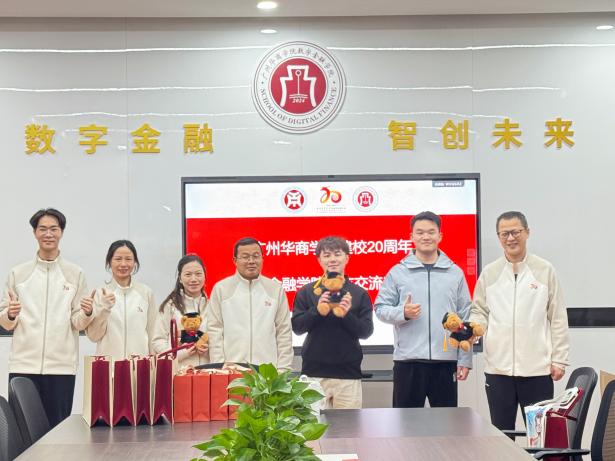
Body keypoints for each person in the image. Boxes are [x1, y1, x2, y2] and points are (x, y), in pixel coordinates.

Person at [470, 211, 570, 431]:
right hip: (498, 371)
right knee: (502, 434)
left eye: (515, 232)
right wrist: (476, 328)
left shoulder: (544, 269)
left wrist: (559, 359)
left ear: (527, 232)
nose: (510, 238)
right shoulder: (490, 272)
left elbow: (557, 317)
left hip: (537, 370)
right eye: (504, 234)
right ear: (499, 237)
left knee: (540, 435)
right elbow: (479, 311)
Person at [0, 208, 92, 428]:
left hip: (61, 367)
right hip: (23, 366)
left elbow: (77, 321)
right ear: (35, 233)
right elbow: (5, 320)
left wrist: (88, 313)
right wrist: (10, 314)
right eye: (42, 229)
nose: (48, 234)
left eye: (53, 229)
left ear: (61, 232)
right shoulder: (18, 273)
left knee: (57, 430)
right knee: (24, 431)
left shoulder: (75, 273)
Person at [375, 211, 472, 408]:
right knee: (405, 423)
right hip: (408, 363)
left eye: (431, 232)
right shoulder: (398, 272)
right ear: (411, 236)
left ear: (440, 236)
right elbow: (380, 308)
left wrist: (464, 359)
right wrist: (403, 313)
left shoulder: (455, 273)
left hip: (445, 363)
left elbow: (465, 317)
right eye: (420, 232)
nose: (425, 237)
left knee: (446, 423)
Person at [292, 236, 373, 409]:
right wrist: (316, 311)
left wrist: (346, 314)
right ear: (319, 260)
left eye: (337, 254)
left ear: (347, 258)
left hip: (348, 374)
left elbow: (366, 331)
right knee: (313, 426)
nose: (333, 259)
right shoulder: (308, 291)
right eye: (327, 255)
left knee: (349, 426)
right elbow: (297, 327)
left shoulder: (359, 293)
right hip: (314, 373)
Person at [206, 237, 293, 370]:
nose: (251, 261)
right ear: (235, 260)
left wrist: (283, 369)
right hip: (231, 369)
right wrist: (219, 367)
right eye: (245, 257)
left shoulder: (275, 289)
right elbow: (215, 330)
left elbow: (284, 331)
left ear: (262, 259)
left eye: (256, 256)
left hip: (267, 370)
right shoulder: (222, 289)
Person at [85, 240, 156, 361]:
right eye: (118, 259)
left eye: (128, 259)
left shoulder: (146, 293)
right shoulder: (100, 293)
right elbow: (93, 336)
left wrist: (153, 363)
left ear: (135, 262)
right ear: (109, 262)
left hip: (139, 365)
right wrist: (104, 309)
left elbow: (153, 332)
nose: (123, 264)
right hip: (109, 366)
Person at [152, 254, 209, 366]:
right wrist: (181, 354)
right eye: (188, 274)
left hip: (207, 370)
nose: (193, 279)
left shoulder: (212, 306)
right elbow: (157, 341)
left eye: (198, 274)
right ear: (180, 279)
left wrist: (208, 349)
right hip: (179, 371)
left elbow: (220, 339)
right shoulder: (169, 306)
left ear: (204, 276)